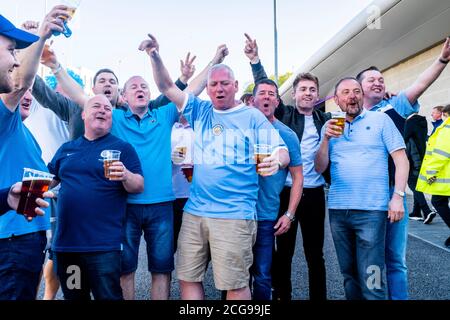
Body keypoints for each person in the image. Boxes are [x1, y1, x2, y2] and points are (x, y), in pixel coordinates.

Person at [141, 33, 289, 300]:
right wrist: (154, 55)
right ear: (207, 88)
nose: (219, 88)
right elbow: (165, 86)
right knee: (187, 277)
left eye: (224, 83)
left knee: (235, 284)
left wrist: (275, 161)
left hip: (234, 215)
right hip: (195, 212)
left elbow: (282, 151)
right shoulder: (200, 111)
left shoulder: (251, 116)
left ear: (234, 85)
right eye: (213, 84)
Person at [356, 37, 450, 300]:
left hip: (392, 193)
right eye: (371, 79)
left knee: (395, 259)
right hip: (363, 197)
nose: (378, 81)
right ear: (357, 87)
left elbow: (420, 84)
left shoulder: (394, 107)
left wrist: (442, 59)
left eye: (380, 78)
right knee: (368, 260)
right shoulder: (349, 117)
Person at [244, 33, 329, 300]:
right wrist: (255, 61)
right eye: (302, 89)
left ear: (317, 95)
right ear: (293, 94)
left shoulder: (325, 118)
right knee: (284, 253)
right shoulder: (284, 114)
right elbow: (264, 91)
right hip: (284, 192)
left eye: (312, 90)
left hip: (313, 193)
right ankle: (283, 296)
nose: (307, 93)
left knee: (315, 254)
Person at [315, 77, 409, 300]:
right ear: (337, 100)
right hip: (339, 211)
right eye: (345, 92)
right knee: (349, 275)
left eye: (356, 91)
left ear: (362, 95)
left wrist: (397, 196)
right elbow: (319, 167)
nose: (352, 96)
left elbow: (401, 160)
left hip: (371, 212)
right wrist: (325, 140)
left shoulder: (381, 121)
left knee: (372, 277)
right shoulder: (329, 128)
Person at [48, 94, 144, 300]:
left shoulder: (123, 148)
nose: (102, 110)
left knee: (108, 297)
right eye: (96, 106)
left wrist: (126, 175)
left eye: (107, 108)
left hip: (104, 247)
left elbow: (138, 186)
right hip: (67, 247)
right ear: (83, 114)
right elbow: (48, 181)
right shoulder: (67, 149)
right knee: (75, 297)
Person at [0, 8, 67, 300]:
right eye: (11, 50)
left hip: (25, 235)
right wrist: (41, 36)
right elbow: (19, 84)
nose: (16, 60)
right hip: (11, 239)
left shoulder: (24, 133)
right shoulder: (5, 116)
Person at [250, 79, 303, 300]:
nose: (267, 97)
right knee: (235, 276)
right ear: (253, 100)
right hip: (236, 214)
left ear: (277, 101)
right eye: (262, 93)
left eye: (272, 94)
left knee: (262, 275)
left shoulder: (287, 134)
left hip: (265, 215)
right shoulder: (240, 128)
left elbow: (298, 177)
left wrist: (289, 215)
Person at [416, 104, 450, 248]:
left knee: (438, 201)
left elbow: (441, 154)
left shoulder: (446, 130)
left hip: (445, 176)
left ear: (446, 114)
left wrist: (431, 172)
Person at [404, 113, 436, 221]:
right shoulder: (422, 122)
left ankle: (427, 211)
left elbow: (403, 138)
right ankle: (416, 212)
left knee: (413, 184)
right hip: (421, 155)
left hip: (413, 158)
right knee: (417, 183)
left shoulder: (410, 122)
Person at [170, 113, 195, 251]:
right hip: (174, 193)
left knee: (195, 244)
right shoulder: (170, 127)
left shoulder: (198, 126)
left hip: (196, 195)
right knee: (171, 242)